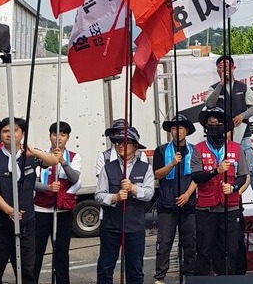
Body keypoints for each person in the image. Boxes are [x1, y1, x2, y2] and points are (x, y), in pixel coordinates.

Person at [0, 117, 59, 284]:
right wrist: (9, 210)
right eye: (5, 131)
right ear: (0, 135)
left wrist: (35, 152)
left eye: (14, 130)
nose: (9, 134)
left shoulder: (30, 156)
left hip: (27, 225)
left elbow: (53, 160)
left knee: (27, 272)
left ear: (22, 133)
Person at [191, 107, 250, 276]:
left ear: (225, 127)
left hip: (230, 208)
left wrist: (233, 187)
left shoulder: (236, 148)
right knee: (204, 249)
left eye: (217, 123)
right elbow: (196, 177)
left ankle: (227, 278)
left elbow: (243, 176)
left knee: (230, 250)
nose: (214, 126)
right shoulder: (199, 149)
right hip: (206, 209)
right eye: (210, 123)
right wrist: (216, 171)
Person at [205, 55, 253, 211]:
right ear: (217, 69)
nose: (224, 68)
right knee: (223, 169)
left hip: (242, 135)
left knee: (251, 168)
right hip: (220, 139)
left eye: (227, 65)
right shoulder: (213, 88)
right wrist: (220, 84)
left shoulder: (243, 87)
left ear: (233, 68)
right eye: (220, 66)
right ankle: (228, 201)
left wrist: (242, 116)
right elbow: (209, 104)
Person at [95, 128, 154, 284]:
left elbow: (149, 193)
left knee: (135, 271)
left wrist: (133, 188)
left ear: (135, 146)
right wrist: (114, 197)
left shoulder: (146, 168)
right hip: (111, 227)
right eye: (118, 142)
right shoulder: (107, 167)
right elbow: (99, 195)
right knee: (105, 270)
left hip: (135, 227)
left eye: (125, 142)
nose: (120, 145)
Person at [33, 121, 82, 284]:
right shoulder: (39, 156)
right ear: (50, 136)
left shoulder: (74, 157)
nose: (58, 138)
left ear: (67, 137)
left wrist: (63, 162)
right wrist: (47, 187)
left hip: (63, 211)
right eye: (55, 134)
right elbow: (31, 182)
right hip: (41, 210)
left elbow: (75, 178)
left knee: (61, 253)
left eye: (62, 135)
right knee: (36, 252)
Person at [152, 113, 198, 284]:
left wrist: (187, 194)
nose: (177, 131)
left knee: (190, 242)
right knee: (164, 243)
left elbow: (197, 176)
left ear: (186, 130)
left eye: (180, 127)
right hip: (167, 204)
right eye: (173, 128)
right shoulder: (162, 150)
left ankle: (189, 275)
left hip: (189, 203)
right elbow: (157, 174)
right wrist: (171, 163)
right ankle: (160, 277)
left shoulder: (195, 150)